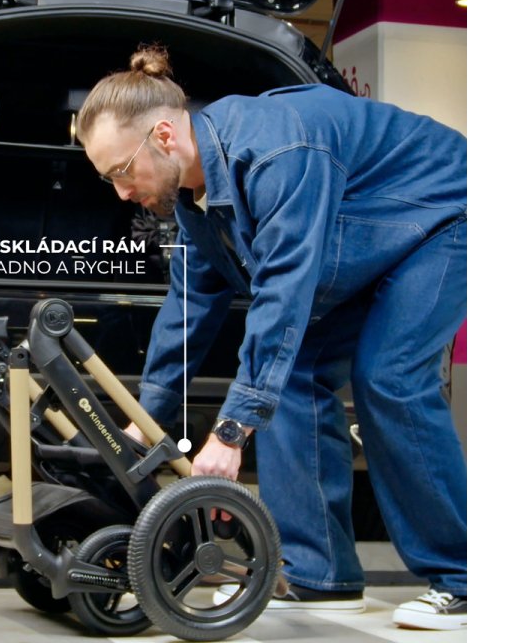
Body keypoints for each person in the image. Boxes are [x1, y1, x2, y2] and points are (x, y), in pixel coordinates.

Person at [75, 44, 467, 631]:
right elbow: (188, 309)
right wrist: (143, 421)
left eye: (121, 171)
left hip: (447, 215)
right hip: (374, 237)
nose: (121, 192)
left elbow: (284, 290)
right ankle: (319, 577)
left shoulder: (277, 153)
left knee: (389, 376)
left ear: (164, 136)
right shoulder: (193, 203)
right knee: (289, 378)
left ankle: (465, 580)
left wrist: (230, 433)